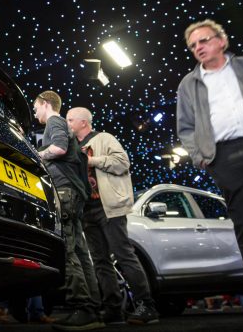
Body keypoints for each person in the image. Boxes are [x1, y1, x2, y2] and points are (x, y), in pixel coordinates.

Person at [176, 18, 243, 325]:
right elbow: (185, 127)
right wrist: (201, 157)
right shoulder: (188, 84)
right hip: (223, 157)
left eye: (204, 41)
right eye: (193, 45)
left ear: (221, 41)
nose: (199, 48)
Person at [66, 107, 159, 325]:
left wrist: (92, 161)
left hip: (108, 207)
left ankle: (147, 305)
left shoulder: (104, 138)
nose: (67, 124)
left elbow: (122, 162)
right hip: (86, 210)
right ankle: (113, 309)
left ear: (83, 122)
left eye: (70, 120)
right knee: (100, 261)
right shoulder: (72, 147)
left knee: (123, 254)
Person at [33, 91, 104, 331]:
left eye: (35, 108)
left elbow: (60, 148)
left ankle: (82, 307)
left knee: (68, 249)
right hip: (75, 193)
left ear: (45, 104)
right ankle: (93, 308)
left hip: (65, 192)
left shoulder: (54, 122)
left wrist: (36, 156)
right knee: (82, 252)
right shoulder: (61, 124)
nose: (34, 113)